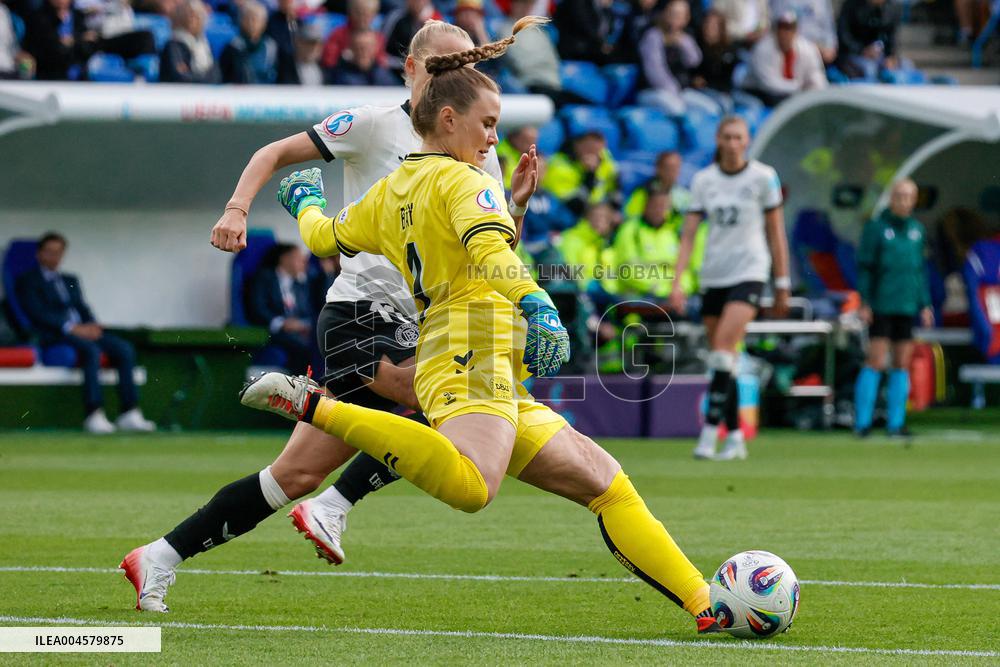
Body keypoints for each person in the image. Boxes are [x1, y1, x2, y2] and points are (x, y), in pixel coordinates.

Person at [243, 18, 719, 634]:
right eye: (488, 124)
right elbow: (494, 254)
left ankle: (706, 605)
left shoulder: (390, 191)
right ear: (449, 119)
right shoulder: (464, 182)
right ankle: (315, 406)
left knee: (606, 483)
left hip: (476, 358)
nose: (494, 138)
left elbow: (326, 237)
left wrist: (305, 203)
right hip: (466, 354)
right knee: (473, 488)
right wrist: (537, 303)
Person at [119, 19, 531, 613]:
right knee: (445, 404)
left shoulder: (477, 147)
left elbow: (490, 248)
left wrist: (518, 205)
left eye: (467, 64)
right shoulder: (373, 125)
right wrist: (237, 208)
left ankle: (159, 556)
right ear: (410, 68)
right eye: (443, 63)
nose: (456, 74)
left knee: (290, 477)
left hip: (421, 321)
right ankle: (332, 493)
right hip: (361, 313)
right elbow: (273, 153)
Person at [670, 117, 790, 461]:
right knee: (726, 360)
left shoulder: (763, 177)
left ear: (747, 141)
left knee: (722, 351)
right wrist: (678, 283)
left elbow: (776, 232)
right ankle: (736, 437)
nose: (733, 143)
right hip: (714, 275)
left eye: (739, 137)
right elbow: (689, 235)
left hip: (750, 271)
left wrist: (781, 282)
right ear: (718, 140)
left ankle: (709, 435)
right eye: (727, 137)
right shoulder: (704, 180)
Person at [16, 233, 156, 434]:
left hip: (82, 331)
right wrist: (72, 328)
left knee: (124, 349)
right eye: (49, 252)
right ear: (39, 254)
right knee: (91, 351)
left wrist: (91, 326)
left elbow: (82, 307)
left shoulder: (70, 279)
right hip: (54, 334)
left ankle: (129, 411)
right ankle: (94, 413)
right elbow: (37, 313)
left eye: (58, 252)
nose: (54, 257)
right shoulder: (28, 280)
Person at [854, 179, 934, 439]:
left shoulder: (917, 230)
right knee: (876, 360)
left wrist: (924, 303)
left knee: (901, 362)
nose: (904, 201)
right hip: (882, 304)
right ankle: (862, 423)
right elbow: (865, 268)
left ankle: (896, 424)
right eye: (899, 196)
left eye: (909, 196)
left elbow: (919, 271)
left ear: (914, 200)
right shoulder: (876, 228)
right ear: (891, 198)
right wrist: (864, 301)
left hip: (906, 304)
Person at [246, 243, 315, 375]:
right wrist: (282, 323)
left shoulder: (299, 284)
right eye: (299, 259)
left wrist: (303, 325)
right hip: (272, 330)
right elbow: (258, 308)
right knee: (303, 347)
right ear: (285, 258)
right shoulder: (264, 278)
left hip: (298, 331)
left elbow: (307, 310)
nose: (304, 263)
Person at [743, 11, 827, 107]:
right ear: (775, 31)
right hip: (759, 93)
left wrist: (816, 92)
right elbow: (769, 84)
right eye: (782, 28)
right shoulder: (762, 49)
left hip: (793, 94)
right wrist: (799, 87)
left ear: (796, 31)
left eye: (789, 29)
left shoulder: (808, 49)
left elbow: (817, 77)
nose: (785, 33)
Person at [636, 0, 702, 117]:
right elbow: (655, 73)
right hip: (652, 90)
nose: (676, 18)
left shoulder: (684, 37)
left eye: (681, 15)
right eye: (673, 13)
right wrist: (675, 93)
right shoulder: (653, 36)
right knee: (678, 110)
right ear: (665, 13)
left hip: (680, 91)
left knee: (711, 109)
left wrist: (683, 42)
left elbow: (694, 61)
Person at [542, 129, 622, 217]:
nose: (594, 155)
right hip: (567, 215)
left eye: (599, 150)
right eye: (589, 149)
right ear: (577, 145)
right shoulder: (559, 166)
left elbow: (614, 193)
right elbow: (572, 206)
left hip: (597, 213)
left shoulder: (604, 158)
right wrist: (589, 176)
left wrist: (612, 210)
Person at [836, 0, 904, 80]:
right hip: (853, 54)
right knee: (870, 70)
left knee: (905, 66)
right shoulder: (851, 5)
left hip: (878, 56)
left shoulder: (892, 8)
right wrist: (863, 50)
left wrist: (890, 56)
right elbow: (844, 37)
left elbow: (892, 37)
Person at [159, 0, 220, 84]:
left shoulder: (205, 45)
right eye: (189, 15)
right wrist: (204, 79)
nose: (192, 20)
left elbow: (216, 76)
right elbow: (180, 77)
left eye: (197, 16)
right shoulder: (173, 45)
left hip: (204, 90)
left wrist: (198, 77)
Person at [220, 0, 279, 84]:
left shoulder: (271, 47)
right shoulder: (232, 47)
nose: (251, 23)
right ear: (241, 21)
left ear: (264, 23)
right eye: (247, 18)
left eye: (255, 19)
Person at [320, 0, 386, 70]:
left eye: (367, 14)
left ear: (374, 15)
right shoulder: (338, 34)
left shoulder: (378, 37)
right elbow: (328, 61)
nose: (362, 17)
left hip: (370, 73)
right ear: (349, 12)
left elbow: (381, 61)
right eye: (358, 13)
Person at [624, 150, 691, 218]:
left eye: (677, 168)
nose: (673, 172)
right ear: (658, 168)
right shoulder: (642, 193)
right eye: (669, 167)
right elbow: (631, 217)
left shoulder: (685, 195)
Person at [382, 0, 441, 78]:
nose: (417, 2)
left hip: (422, 73)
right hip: (394, 71)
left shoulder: (435, 21)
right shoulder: (396, 18)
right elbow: (381, 49)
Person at [770, 0, 838, 63]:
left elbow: (830, 33)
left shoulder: (822, 2)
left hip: (819, 55)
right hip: (788, 54)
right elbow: (778, 26)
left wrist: (829, 48)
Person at [328, 27, 397, 86]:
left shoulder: (385, 77)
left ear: (376, 48)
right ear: (351, 48)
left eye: (368, 47)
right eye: (359, 47)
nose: (364, 52)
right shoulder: (339, 77)